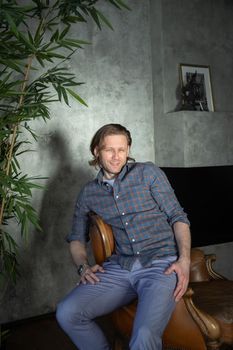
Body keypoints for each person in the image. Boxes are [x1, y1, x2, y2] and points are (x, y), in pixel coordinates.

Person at [56, 123, 191, 350]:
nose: (117, 156)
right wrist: (83, 266)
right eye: (110, 150)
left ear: (128, 149)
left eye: (122, 149)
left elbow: (178, 217)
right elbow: (76, 238)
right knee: (67, 312)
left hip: (162, 265)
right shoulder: (89, 192)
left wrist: (184, 259)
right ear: (96, 151)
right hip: (122, 267)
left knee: (144, 335)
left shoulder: (148, 173)